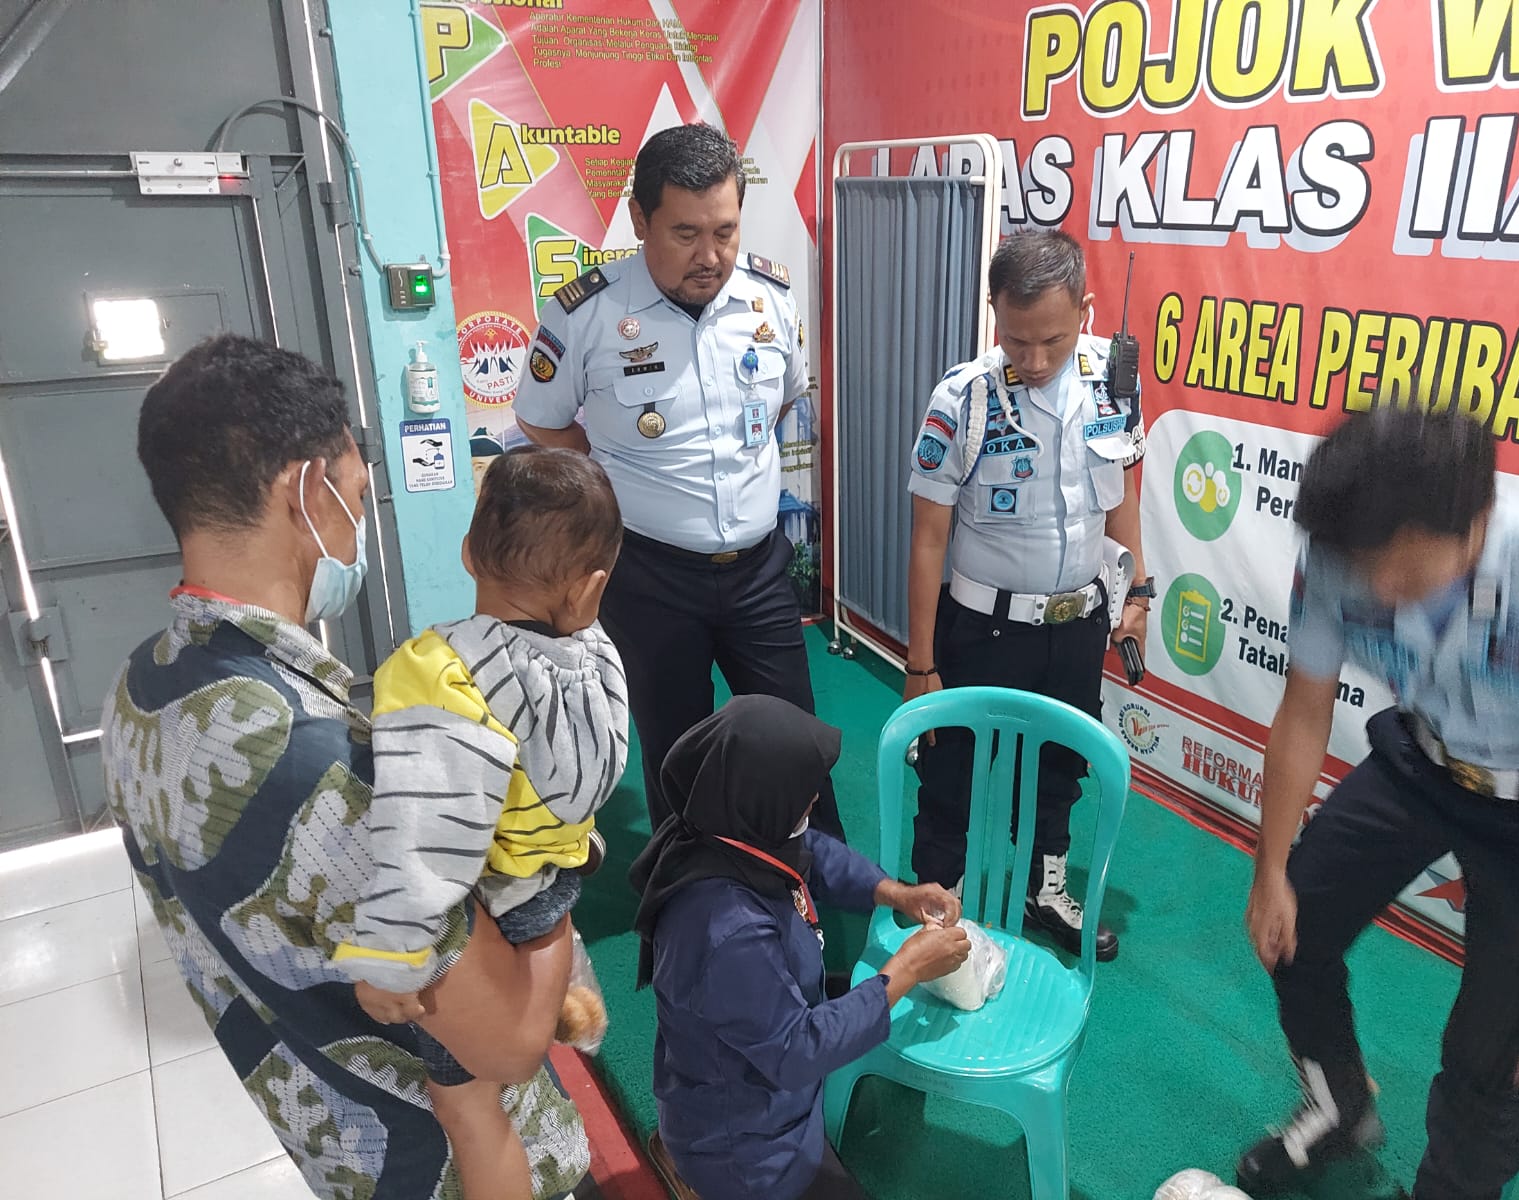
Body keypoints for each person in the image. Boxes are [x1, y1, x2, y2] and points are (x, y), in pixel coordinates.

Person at [102, 335, 592, 1200]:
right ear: (305, 491)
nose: (361, 520)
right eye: (358, 494)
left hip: (337, 1145)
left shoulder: (139, 686)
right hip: (450, 1167)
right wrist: (555, 867)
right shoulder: (326, 767)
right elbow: (513, 1039)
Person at [1238, 406, 1519, 1199]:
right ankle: (1339, 1108)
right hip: (1425, 759)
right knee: (1296, 927)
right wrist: (1271, 871)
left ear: (1476, 521)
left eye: (1400, 571)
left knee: (1491, 1064)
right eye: (1360, 567)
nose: (1376, 589)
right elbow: (1305, 709)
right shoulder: (1339, 554)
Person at [514, 122, 841, 838]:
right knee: (677, 750)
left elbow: (783, 398)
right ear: (640, 219)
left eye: (725, 232)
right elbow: (542, 421)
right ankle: (684, 889)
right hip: (651, 577)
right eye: (686, 233)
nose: (710, 256)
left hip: (758, 571)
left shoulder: (767, 299)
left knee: (795, 740)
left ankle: (816, 887)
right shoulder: (587, 313)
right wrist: (611, 474)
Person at [332, 446, 629, 1200]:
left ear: (467, 552)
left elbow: (428, 834)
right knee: (506, 1057)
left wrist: (390, 956)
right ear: (591, 589)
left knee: (465, 1105)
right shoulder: (598, 659)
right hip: (555, 886)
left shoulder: (440, 671)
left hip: (497, 900)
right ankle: (547, 1010)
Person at [902, 229, 1152, 961]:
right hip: (983, 629)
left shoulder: (1114, 381)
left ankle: (1046, 891)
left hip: (1078, 624)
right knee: (950, 770)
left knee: (1061, 767)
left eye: (1053, 340)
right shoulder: (963, 398)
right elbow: (927, 539)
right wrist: (921, 664)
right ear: (994, 313)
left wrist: (1137, 588)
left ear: (1086, 310)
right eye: (1016, 340)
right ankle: (935, 905)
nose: (1035, 360)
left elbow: (1121, 497)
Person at [630, 695, 972, 1200]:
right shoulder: (726, 930)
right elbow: (796, 1050)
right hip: (748, 1151)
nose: (814, 798)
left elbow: (813, 853)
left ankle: (683, 1151)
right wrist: (906, 969)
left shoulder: (727, 827)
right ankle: (696, 1174)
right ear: (764, 798)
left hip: (749, 1081)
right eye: (803, 789)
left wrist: (896, 893)